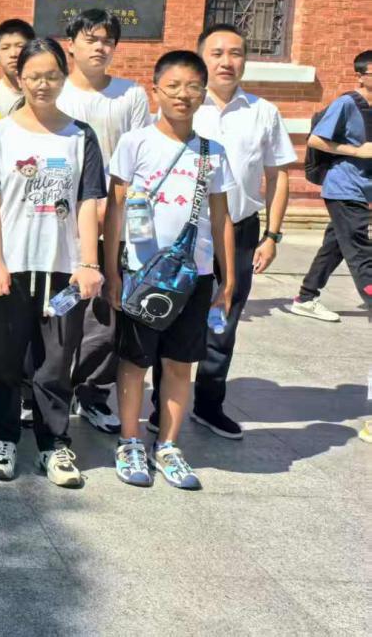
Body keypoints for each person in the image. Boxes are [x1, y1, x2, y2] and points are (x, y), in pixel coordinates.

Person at [150, 24, 293, 440]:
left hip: (241, 230)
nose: (226, 62)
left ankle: (209, 405)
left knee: (222, 321)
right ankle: (161, 408)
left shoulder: (263, 112)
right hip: (184, 234)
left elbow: (278, 174)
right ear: (201, 58)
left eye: (235, 53)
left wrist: (272, 235)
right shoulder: (182, 105)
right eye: (216, 53)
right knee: (168, 315)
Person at [105, 51, 234, 491]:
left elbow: (221, 217)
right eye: (174, 86)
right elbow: (115, 208)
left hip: (193, 276)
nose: (183, 95)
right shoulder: (135, 143)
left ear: (204, 93)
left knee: (180, 363)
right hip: (142, 273)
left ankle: (168, 446)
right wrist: (112, 270)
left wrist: (228, 278)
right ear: (155, 89)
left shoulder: (212, 152)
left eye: (193, 86)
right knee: (134, 361)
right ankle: (129, 441)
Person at [0, 38, 105, 488]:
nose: (43, 84)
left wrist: (89, 262)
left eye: (52, 75)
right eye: (34, 76)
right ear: (20, 78)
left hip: (61, 268)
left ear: (64, 77)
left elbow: (88, 202)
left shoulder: (81, 136)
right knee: (4, 359)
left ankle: (54, 444)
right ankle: (2, 440)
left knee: (55, 361)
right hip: (10, 266)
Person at [57, 9, 152, 435]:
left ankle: (92, 392)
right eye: (90, 38)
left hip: (114, 219)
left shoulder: (130, 95)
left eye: (107, 40)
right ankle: (44, 389)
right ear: (71, 44)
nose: (99, 47)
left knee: (105, 312)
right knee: (58, 309)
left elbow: (140, 158)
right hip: (63, 221)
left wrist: (111, 208)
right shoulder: (56, 92)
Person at [287, 49, 372, 322]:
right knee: (359, 246)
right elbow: (315, 139)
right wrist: (356, 151)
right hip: (343, 186)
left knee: (335, 245)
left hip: (363, 187)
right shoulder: (346, 104)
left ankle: (305, 297)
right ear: (360, 77)